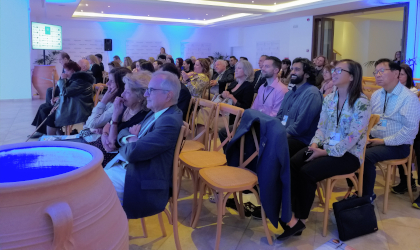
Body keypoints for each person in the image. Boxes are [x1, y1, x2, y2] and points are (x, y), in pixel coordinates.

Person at [277, 59, 371, 239]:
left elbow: (352, 137)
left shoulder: (361, 103)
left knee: (307, 172)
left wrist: (324, 152)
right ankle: (292, 213)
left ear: (351, 76)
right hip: (323, 146)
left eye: (339, 71)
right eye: (333, 70)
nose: (333, 73)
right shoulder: (329, 98)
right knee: (294, 162)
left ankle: (301, 219)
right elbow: (321, 127)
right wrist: (314, 145)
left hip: (348, 154)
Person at [104, 71, 183, 219]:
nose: (146, 94)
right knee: (88, 187)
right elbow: (124, 132)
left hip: (143, 181)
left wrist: (133, 141)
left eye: (151, 90)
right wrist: (130, 139)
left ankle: (110, 235)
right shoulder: (156, 112)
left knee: (92, 194)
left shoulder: (169, 121)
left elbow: (133, 153)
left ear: (168, 95)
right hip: (130, 168)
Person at [251, 58, 323, 219]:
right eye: (293, 69)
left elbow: (301, 126)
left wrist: (278, 135)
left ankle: (273, 203)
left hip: (303, 140)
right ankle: (262, 191)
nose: (292, 72)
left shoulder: (312, 93)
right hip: (287, 134)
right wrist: (275, 131)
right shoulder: (291, 92)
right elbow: (281, 116)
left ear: (306, 73)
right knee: (256, 143)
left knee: (272, 152)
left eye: (297, 70)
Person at [362, 58, 420, 202]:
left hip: (398, 145)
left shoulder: (409, 98)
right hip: (375, 139)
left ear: (396, 73)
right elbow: (370, 120)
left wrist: (382, 141)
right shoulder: (376, 95)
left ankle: (365, 197)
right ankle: (358, 189)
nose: (377, 75)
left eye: (382, 71)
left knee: (366, 156)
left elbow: (410, 131)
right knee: (352, 150)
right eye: (376, 72)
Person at [99, 71, 152, 167]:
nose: (122, 95)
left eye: (127, 92)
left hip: (114, 157)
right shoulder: (125, 106)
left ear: (140, 96)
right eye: (124, 90)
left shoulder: (141, 118)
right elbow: (107, 125)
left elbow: (112, 144)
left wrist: (115, 116)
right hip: (102, 144)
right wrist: (104, 134)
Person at [390, 64, 420, 195]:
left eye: (401, 74)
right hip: (398, 129)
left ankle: (408, 181)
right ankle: (407, 181)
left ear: (408, 76)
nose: (398, 77)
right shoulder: (393, 91)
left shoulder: (412, 93)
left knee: (404, 143)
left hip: (410, 131)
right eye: (397, 74)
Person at [30, 52, 73, 137]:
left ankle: (50, 105)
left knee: (49, 93)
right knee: (43, 105)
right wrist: (58, 82)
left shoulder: (70, 67)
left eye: (60, 59)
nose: (59, 61)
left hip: (65, 90)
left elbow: (69, 83)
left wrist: (60, 88)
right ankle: (39, 130)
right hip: (63, 88)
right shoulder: (66, 66)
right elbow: (63, 79)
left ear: (65, 59)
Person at [48, 61, 95, 135]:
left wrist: (62, 80)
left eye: (66, 70)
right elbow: (68, 94)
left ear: (72, 71)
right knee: (46, 111)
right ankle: (59, 138)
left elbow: (65, 92)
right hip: (73, 105)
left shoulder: (80, 81)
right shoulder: (75, 79)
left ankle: (51, 141)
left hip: (78, 109)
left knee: (51, 118)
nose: (64, 72)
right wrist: (58, 101)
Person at [84, 67, 131, 135]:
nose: (107, 84)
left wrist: (103, 100)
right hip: (89, 134)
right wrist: (92, 128)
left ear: (121, 85)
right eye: (108, 80)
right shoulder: (112, 98)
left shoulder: (119, 104)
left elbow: (91, 123)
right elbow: (89, 124)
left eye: (111, 81)